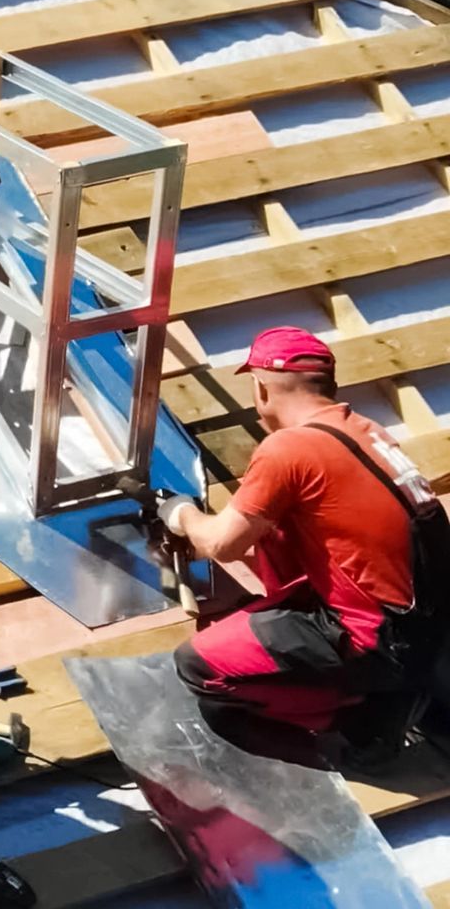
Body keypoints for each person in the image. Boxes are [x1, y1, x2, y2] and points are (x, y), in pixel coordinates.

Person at [160, 326, 438, 765]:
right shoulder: (370, 433)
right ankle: (372, 684)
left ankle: (361, 716)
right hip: (423, 628)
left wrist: (180, 516)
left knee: (199, 668)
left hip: (376, 642)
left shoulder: (287, 448)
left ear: (261, 389)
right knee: (276, 529)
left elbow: (222, 545)